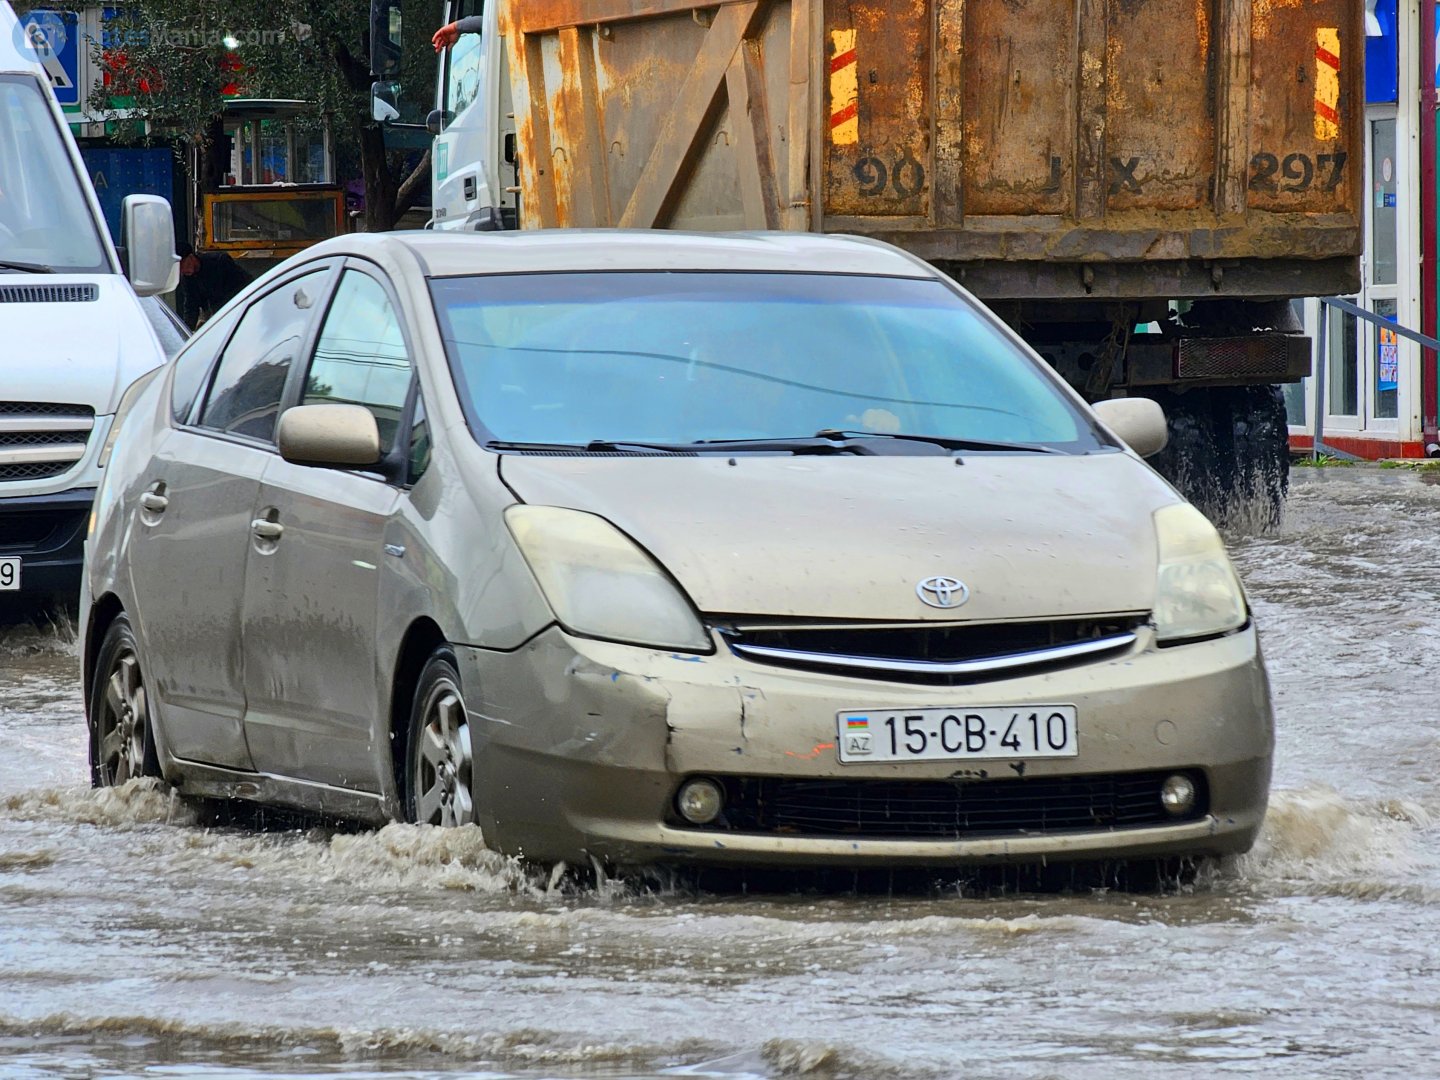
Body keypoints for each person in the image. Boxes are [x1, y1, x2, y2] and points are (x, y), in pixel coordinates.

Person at [174, 240, 251, 329]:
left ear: (191, 257)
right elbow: (191, 305)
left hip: (238, 308)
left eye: (183, 264)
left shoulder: (219, 262)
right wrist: (187, 328)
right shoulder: (188, 279)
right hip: (216, 317)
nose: (182, 270)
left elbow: (242, 285)